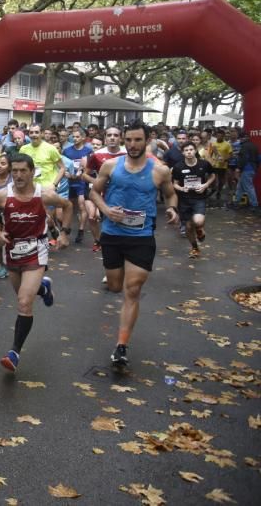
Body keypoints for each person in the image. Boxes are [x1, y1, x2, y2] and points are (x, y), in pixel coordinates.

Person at [89, 121, 179, 369]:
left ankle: (121, 346)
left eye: (138, 140)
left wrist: (171, 208)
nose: (132, 145)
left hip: (141, 236)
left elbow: (170, 193)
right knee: (116, 286)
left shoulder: (159, 170)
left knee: (132, 289)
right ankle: (121, 338)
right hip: (113, 234)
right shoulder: (111, 165)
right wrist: (106, 210)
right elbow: (94, 192)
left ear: (147, 140)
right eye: (128, 140)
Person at [0, 153, 72, 373]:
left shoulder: (44, 195)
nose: (19, 175)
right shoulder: (3, 196)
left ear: (32, 172)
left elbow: (68, 205)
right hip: (12, 250)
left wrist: (64, 234)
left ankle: (14, 353)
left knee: (23, 302)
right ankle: (44, 287)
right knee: (24, 292)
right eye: (15, 171)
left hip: (36, 250)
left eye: (23, 171)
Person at [82, 127, 125, 252]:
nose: (112, 137)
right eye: (109, 135)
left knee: (123, 224)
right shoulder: (97, 155)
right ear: (105, 138)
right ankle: (103, 244)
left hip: (125, 195)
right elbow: (85, 175)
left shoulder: (127, 153)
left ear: (120, 138)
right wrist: (97, 182)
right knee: (108, 223)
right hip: (105, 196)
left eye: (116, 135)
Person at [171, 141, 215, 259]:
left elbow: (212, 176)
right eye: (186, 150)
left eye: (191, 149)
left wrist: (205, 185)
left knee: (198, 221)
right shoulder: (178, 166)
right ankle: (195, 248)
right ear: (183, 153)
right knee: (189, 227)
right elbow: (174, 184)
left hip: (199, 198)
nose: (189, 152)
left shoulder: (204, 164)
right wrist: (181, 188)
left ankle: (200, 229)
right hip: (184, 200)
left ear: (195, 150)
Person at [62, 133, 93, 244]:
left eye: (77, 137)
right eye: (73, 137)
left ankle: (80, 230)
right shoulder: (67, 151)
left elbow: (89, 168)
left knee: (81, 205)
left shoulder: (88, 151)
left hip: (81, 182)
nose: (75, 139)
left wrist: (80, 173)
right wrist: (68, 174)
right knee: (68, 206)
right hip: (69, 182)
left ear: (83, 138)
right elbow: (63, 165)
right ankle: (66, 228)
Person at [230, 130, 259, 211]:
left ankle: (254, 204)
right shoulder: (254, 146)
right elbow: (258, 158)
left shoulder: (244, 147)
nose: (240, 140)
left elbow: (243, 159)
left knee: (249, 187)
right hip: (252, 169)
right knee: (240, 187)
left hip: (246, 169)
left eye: (240, 138)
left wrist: (238, 168)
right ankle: (236, 202)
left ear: (242, 138)